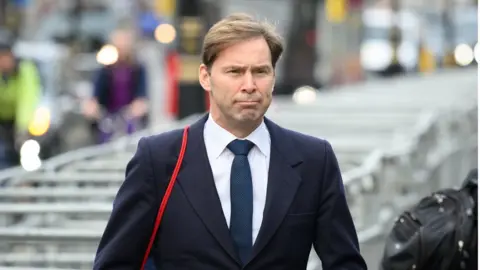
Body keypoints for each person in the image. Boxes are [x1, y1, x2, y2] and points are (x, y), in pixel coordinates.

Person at [94, 13, 367, 269]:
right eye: (235, 72)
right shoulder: (158, 159)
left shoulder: (313, 160)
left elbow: (344, 262)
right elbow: (116, 261)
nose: (249, 85)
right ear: (206, 77)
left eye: (261, 72)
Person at [82, 27, 149, 137]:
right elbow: (96, 94)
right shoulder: (105, 69)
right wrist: (93, 108)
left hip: (129, 116)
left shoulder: (138, 68)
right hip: (109, 116)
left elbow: (142, 96)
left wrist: (133, 110)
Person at [0, 29, 41, 169]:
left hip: (19, 125)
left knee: (26, 156)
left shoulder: (25, 70)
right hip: (2, 121)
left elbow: (27, 99)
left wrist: (22, 128)